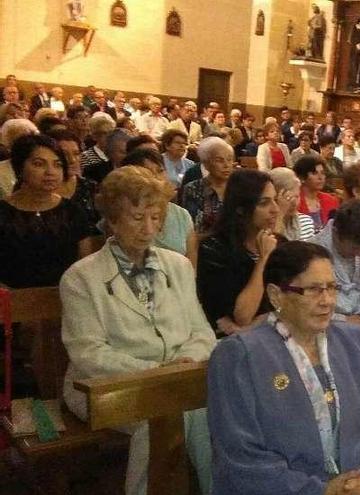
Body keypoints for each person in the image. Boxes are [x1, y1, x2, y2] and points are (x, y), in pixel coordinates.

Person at [61, 166, 216, 495]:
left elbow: (201, 331)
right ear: (113, 220)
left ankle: (216, 488)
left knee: (209, 412)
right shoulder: (80, 277)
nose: (149, 228)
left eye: (156, 217)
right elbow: (89, 353)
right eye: (137, 217)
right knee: (158, 418)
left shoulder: (178, 265)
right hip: (103, 386)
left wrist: (187, 360)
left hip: (177, 378)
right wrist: (158, 374)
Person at [207, 241, 360, 495]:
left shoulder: (357, 343)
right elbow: (240, 453)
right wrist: (321, 491)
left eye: (332, 288)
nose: (327, 301)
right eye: (313, 290)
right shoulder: (240, 356)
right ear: (276, 295)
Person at [0, 134, 91, 288]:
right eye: (39, 164)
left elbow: (85, 263)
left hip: (67, 295)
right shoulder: (3, 212)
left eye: (57, 165)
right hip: (11, 301)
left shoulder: (72, 210)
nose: (50, 172)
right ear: (20, 168)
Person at [197, 169, 281, 334]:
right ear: (241, 209)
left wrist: (261, 321)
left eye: (275, 200)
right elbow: (243, 316)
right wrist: (263, 260)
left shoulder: (279, 243)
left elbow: (292, 304)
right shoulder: (214, 250)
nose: (275, 209)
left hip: (274, 334)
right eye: (264, 203)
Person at [309, 199, 360, 327]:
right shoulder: (311, 254)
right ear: (335, 233)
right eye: (354, 248)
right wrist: (351, 321)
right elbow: (310, 312)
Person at [120, 148, 197, 261]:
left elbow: (191, 263)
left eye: (160, 171)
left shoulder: (182, 214)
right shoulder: (124, 214)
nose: (157, 178)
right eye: (148, 172)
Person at [45, 128, 99, 231]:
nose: (72, 160)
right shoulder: (41, 189)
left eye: (76, 154)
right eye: (64, 154)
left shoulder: (90, 187)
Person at [180, 137, 234, 234]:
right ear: (206, 164)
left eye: (229, 159)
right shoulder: (193, 189)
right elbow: (194, 228)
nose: (227, 165)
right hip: (204, 244)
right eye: (219, 160)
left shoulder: (240, 186)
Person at [268, 167, 316, 241]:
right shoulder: (265, 224)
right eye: (287, 197)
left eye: (297, 196)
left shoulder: (306, 222)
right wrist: (280, 214)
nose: (294, 202)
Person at [295, 155, 339, 231]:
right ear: (302, 178)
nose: (320, 177)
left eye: (322, 173)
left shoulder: (331, 200)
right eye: (315, 173)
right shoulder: (295, 202)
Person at [80, 113, 117, 183]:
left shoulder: (116, 153)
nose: (109, 137)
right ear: (94, 136)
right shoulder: (86, 156)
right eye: (105, 133)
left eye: (111, 133)